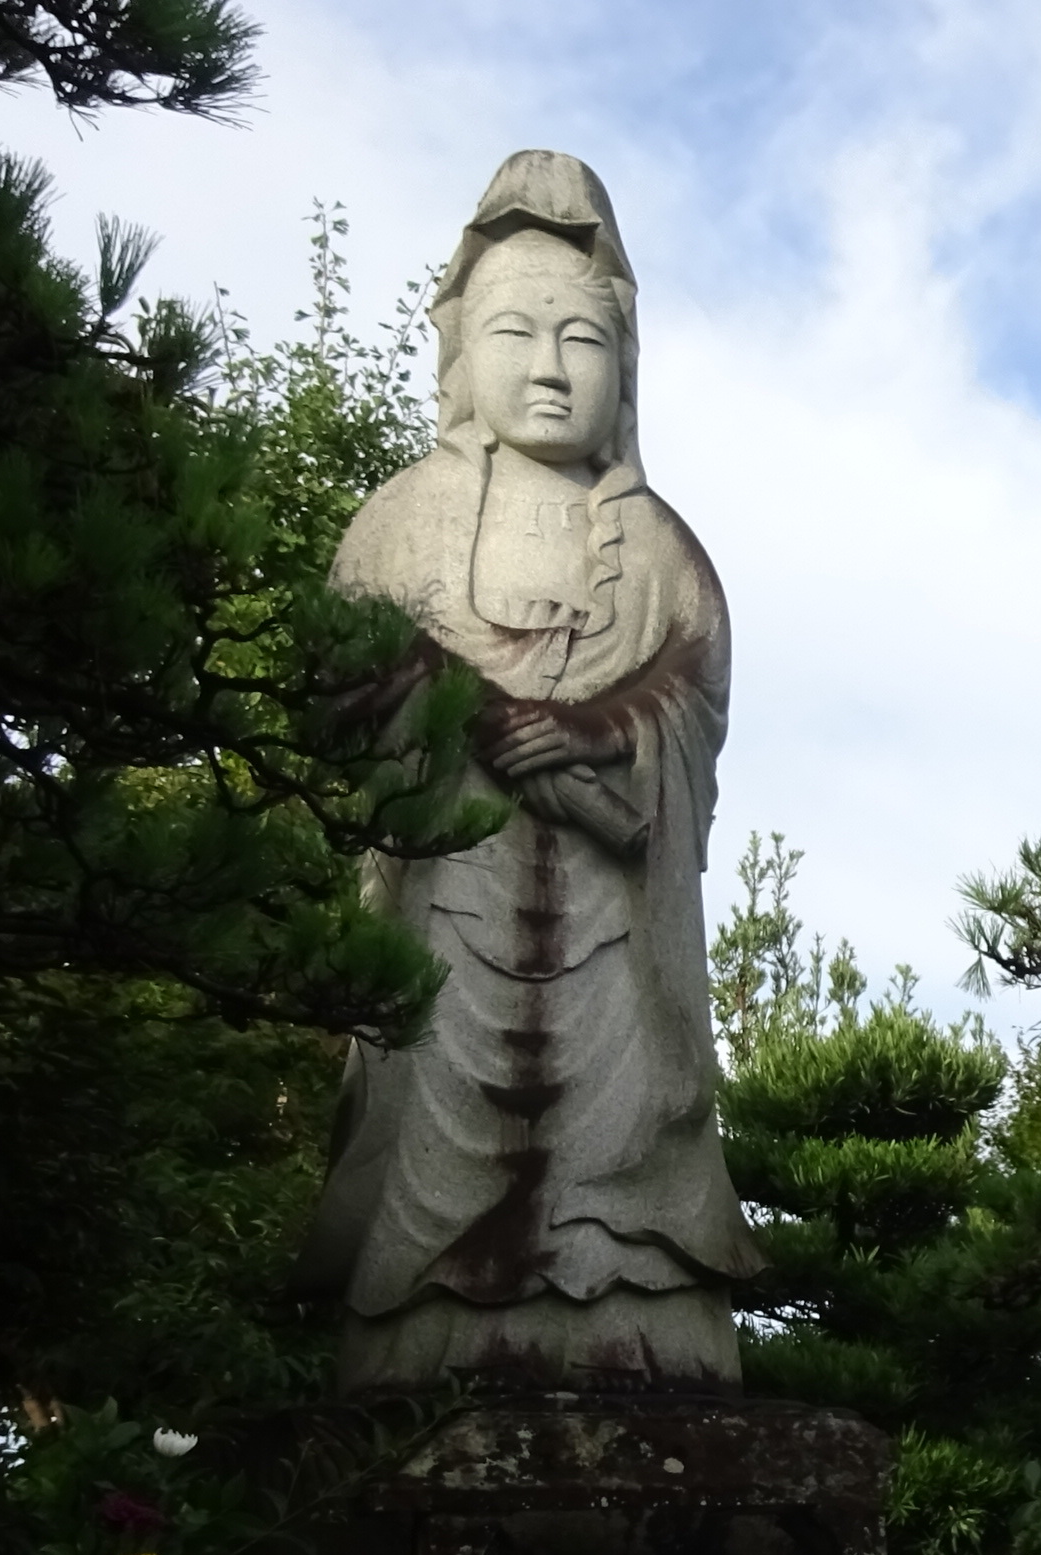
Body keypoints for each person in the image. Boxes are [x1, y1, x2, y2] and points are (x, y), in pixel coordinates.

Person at [297, 149, 758, 1391]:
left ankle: (644, 1339)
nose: (551, 366)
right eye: (515, 331)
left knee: (621, 1122)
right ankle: (417, 1355)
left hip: (611, 901)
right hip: (449, 884)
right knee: (431, 1094)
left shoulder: (659, 545)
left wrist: (606, 728)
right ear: (458, 353)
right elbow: (338, 675)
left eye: (581, 339)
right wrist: (452, 706)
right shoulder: (401, 518)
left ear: (626, 366)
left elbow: (696, 684)